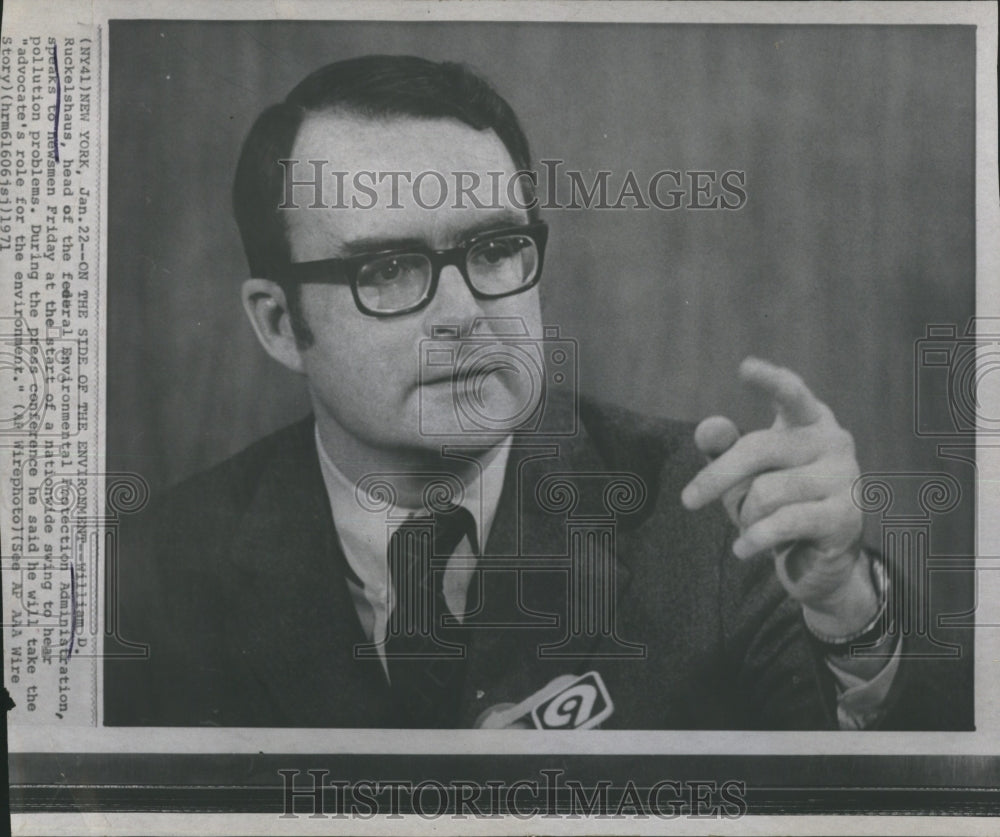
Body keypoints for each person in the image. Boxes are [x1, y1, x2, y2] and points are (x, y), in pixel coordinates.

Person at [104, 54, 964, 730]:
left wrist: (848, 606)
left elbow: (910, 797)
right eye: (388, 267)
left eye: (494, 249)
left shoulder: (708, 520)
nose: (464, 312)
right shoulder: (154, 571)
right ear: (279, 324)